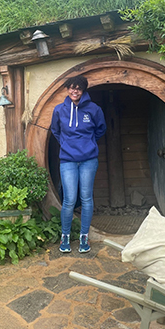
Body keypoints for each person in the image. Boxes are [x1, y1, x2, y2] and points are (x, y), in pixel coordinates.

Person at [51, 75, 106, 253]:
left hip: (88, 159)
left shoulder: (94, 109)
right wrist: (67, 145)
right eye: (71, 88)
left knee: (86, 198)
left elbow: (101, 129)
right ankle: (65, 237)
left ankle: (84, 237)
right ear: (67, 89)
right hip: (67, 159)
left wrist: (89, 143)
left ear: (83, 90)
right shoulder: (59, 110)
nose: (74, 91)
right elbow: (55, 130)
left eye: (78, 88)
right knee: (69, 199)